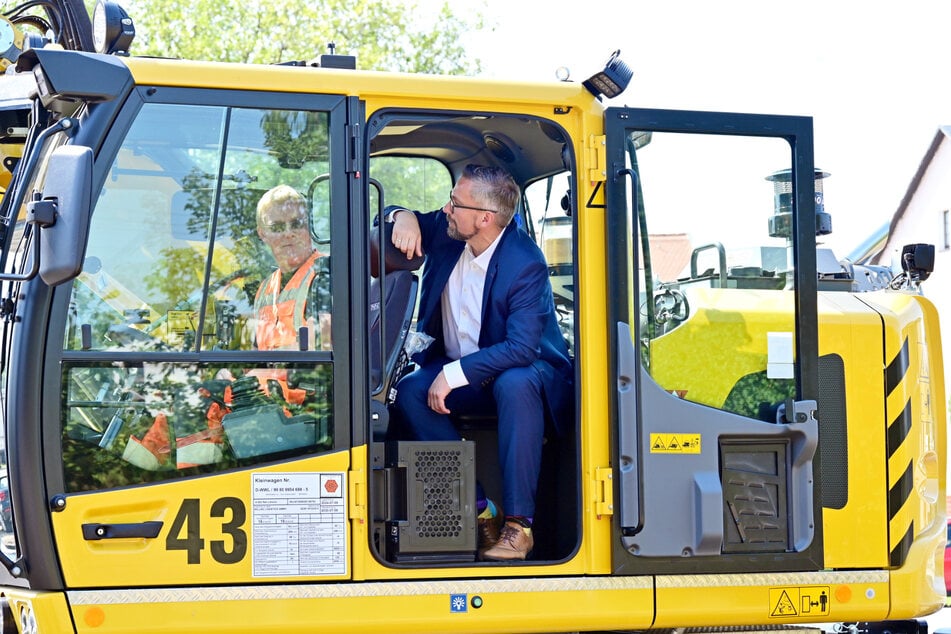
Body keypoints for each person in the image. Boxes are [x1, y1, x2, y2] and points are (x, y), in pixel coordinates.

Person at [386, 164, 573, 561]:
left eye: (455, 203)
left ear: (484, 218)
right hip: (466, 373)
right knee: (411, 391)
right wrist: (400, 216)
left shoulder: (526, 264)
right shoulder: (451, 228)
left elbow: (521, 348)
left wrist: (453, 375)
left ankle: (519, 528)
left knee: (516, 381)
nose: (446, 208)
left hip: (523, 373)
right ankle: (479, 508)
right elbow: (406, 216)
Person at [254, 184, 331, 351]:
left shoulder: (325, 276)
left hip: (304, 377)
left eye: (296, 224)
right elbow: (255, 350)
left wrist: (262, 370)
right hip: (265, 376)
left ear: (309, 225)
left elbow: (321, 347)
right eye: (277, 227)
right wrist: (233, 371)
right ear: (262, 234)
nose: (288, 233)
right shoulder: (264, 289)